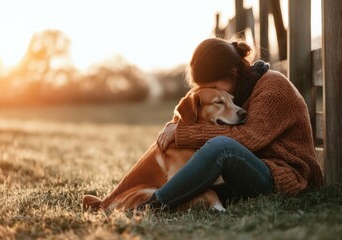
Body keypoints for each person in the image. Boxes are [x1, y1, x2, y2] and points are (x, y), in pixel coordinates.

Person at [138, 37, 324, 211]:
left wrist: (183, 133)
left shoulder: (273, 87)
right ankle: (141, 197)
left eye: (215, 87)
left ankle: (154, 205)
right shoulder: (238, 91)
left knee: (222, 147)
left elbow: (247, 138)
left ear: (233, 73)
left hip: (286, 178)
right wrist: (175, 126)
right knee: (196, 191)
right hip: (252, 172)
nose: (212, 92)